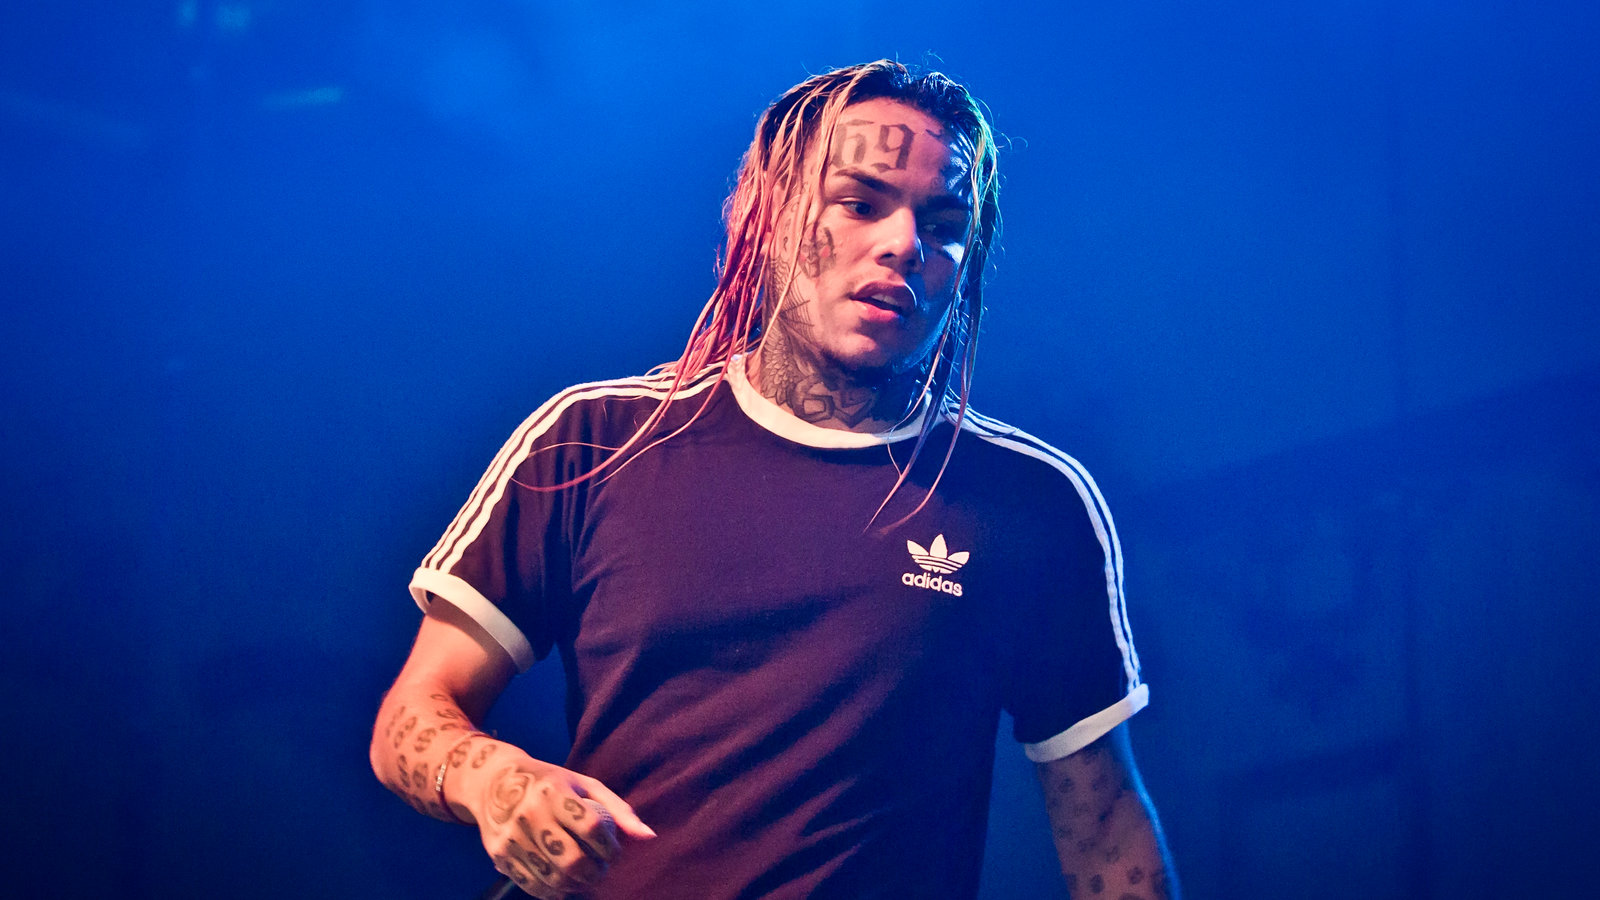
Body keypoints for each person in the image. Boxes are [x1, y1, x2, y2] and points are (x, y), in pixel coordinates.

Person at [371, 59, 1179, 899]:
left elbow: (1104, 827)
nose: (904, 243)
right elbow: (409, 717)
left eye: (943, 223)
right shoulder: (595, 440)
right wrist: (495, 781)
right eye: (860, 203)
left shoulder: (1031, 504)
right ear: (768, 216)